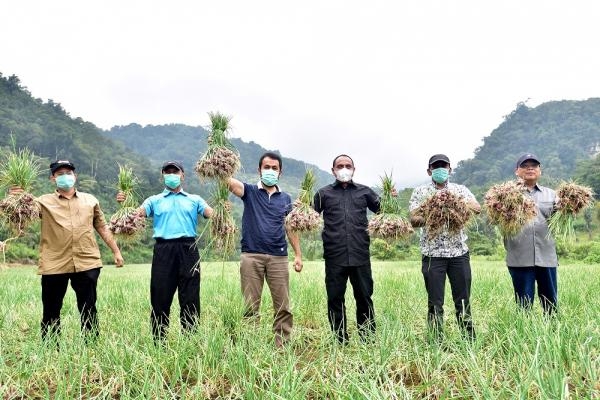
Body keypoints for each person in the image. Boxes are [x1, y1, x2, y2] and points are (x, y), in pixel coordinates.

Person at [10, 160, 124, 342]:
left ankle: (91, 343)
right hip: (54, 262)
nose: (65, 176)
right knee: (51, 307)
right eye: (60, 173)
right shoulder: (42, 202)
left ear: (75, 176)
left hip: (87, 261)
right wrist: (15, 198)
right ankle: (49, 346)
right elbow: (19, 215)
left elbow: (102, 227)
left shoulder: (91, 200)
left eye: (68, 173)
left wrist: (116, 252)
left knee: (88, 306)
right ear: (53, 178)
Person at [118, 161, 213, 342]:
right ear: (162, 176)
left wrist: (222, 209)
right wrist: (125, 204)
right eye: (167, 172)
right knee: (160, 294)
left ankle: (190, 340)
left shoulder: (194, 199)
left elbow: (211, 213)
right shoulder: (154, 200)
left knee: (190, 296)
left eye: (175, 171)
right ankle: (159, 340)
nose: (171, 175)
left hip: (189, 249)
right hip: (163, 250)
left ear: (182, 175)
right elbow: (135, 215)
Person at [227, 152, 302, 348]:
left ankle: (282, 346)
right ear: (259, 170)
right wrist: (220, 161)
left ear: (280, 172)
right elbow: (229, 182)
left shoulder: (286, 198)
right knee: (250, 305)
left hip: (278, 257)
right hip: (251, 256)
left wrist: (298, 255)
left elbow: (291, 228)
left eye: (274, 168)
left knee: (283, 306)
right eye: (266, 167)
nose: (270, 171)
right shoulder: (249, 191)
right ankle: (249, 346)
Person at [409, 154, 480, 342]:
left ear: (450, 169)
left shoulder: (460, 190)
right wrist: (435, 213)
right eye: (436, 166)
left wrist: (453, 204)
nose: (440, 169)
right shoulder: (421, 192)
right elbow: (414, 220)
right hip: (433, 254)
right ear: (429, 170)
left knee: (463, 298)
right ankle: (435, 340)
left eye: (443, 166)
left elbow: (477, 207)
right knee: (435, 301)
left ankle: (468, 338)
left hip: (459, 254)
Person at [313, 154, 380, 344]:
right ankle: (340, 340)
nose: (344, 169)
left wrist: (391, 199)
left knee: (364, 297)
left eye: (347, 165)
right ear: (333, 170)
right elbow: (309, 216)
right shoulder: (323, 194)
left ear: (354, 169)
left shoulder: (365, 192)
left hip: (360, 254)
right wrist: (302, 208)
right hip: (335, 255)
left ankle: (367, 339)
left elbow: (385, 211)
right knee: (335, 298)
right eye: (340, 166)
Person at [505, 153, 558, 314]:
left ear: (540, 170)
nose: (530, 168)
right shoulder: (506, 194)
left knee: (551, 304)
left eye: (534, 166)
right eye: (525, 166)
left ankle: (552, 334)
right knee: (523, 305)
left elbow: (561, 220)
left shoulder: (552, 195)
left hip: (546, 256)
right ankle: (524, 336)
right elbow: (494, 220)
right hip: (520, 257)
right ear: (517, 171)